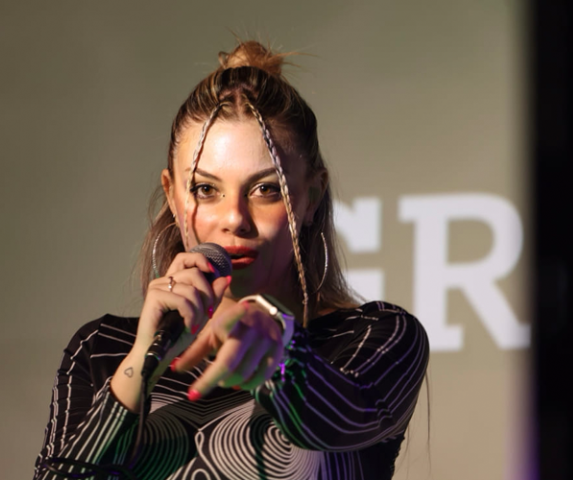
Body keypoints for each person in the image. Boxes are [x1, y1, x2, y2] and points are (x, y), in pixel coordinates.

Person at [34, 40, 429, 480]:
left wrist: (277, 353)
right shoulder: (102, 347)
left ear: (312, 196)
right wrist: (143, 361)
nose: (235, 218)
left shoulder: (374, 336)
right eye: (206, 190)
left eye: (266, 189)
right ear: (172, 195)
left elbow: (340, 420)